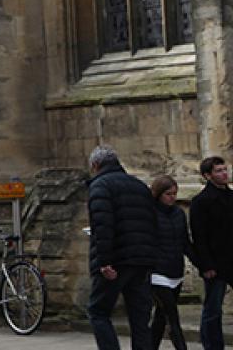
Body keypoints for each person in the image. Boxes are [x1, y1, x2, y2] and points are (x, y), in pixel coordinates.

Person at [86, 145, 157, 350]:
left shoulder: (100, 186)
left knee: (98, 311)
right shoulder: (140, 186)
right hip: (142, 260)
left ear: (96, 165)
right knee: (140, 318)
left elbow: (103, 226)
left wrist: (104, 261)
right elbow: (152, 223)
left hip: (116, 261)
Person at [190, 155, 233, 350]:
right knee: (213, 308)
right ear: (207, 176)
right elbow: (199, 236)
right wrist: (206, 265)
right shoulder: (201, 201)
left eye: (225, 169)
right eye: (218, 171)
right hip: (216, 262)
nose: (224, 173)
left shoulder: (231, 196)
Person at [149, 175, 193, 350]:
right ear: (158, 194)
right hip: (157, 273)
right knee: (172, 317)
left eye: (175, 193)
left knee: (161, 316)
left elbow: (185, 242)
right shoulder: (150, 214)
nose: (173, 197)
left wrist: (202, 264)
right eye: (168, 194)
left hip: (175, 269)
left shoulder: (178, 214)